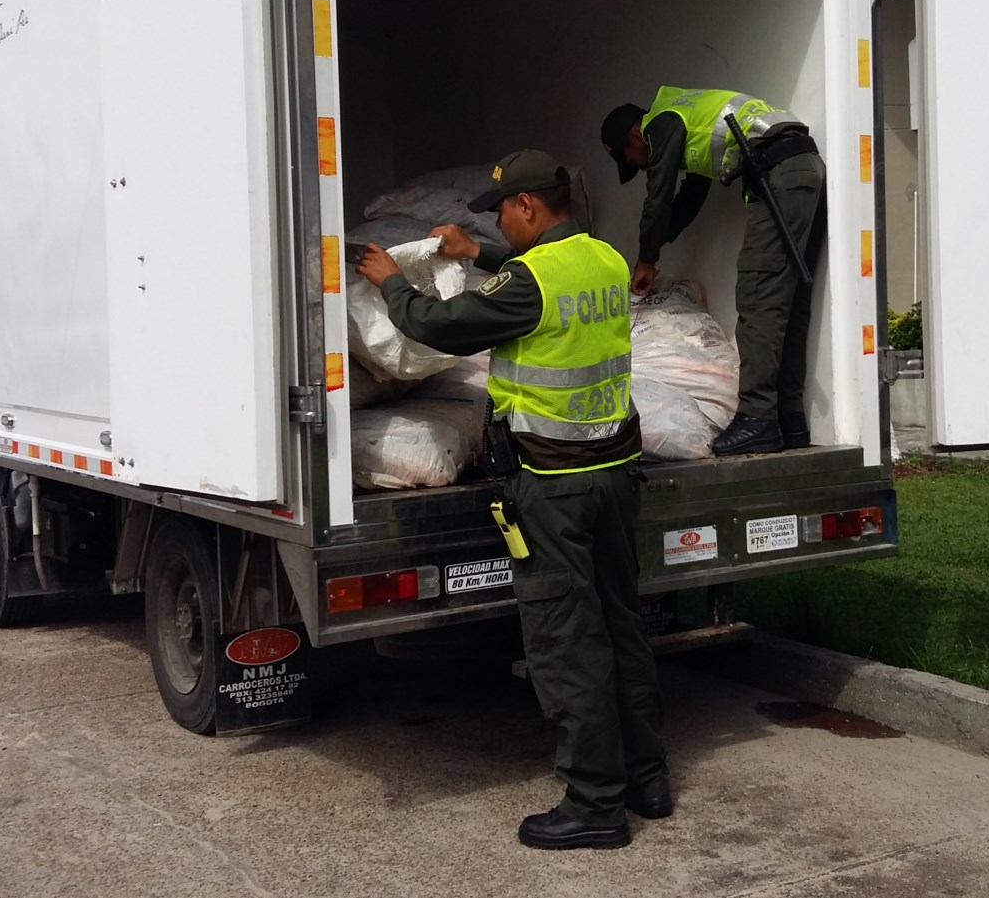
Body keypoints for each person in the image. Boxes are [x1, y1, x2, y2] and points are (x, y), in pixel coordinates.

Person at [353, 149, 670, 851]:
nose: (497, 221)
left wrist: (390, 283)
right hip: (615, 473)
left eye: (499, 211)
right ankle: (647, 778)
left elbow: (443, 326)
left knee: (565, 641)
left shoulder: (528, 281)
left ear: (527, 206)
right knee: (621, 626)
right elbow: (541, 275)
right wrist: (481, 250)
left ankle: (594, 802)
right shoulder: (607, 259)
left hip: (555, 486)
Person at [601, 87, 826, 456]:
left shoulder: (663, 122)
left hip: (778, 175)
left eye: (633, 159)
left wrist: (646, 257)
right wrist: (659, 246)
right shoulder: (688, 120)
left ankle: (757, 418)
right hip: (801, 168)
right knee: (787, 300)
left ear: (634, 135)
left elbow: (658, 194)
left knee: (759, 297)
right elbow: (689, 198)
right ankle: (789, 419)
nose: (640, 166)